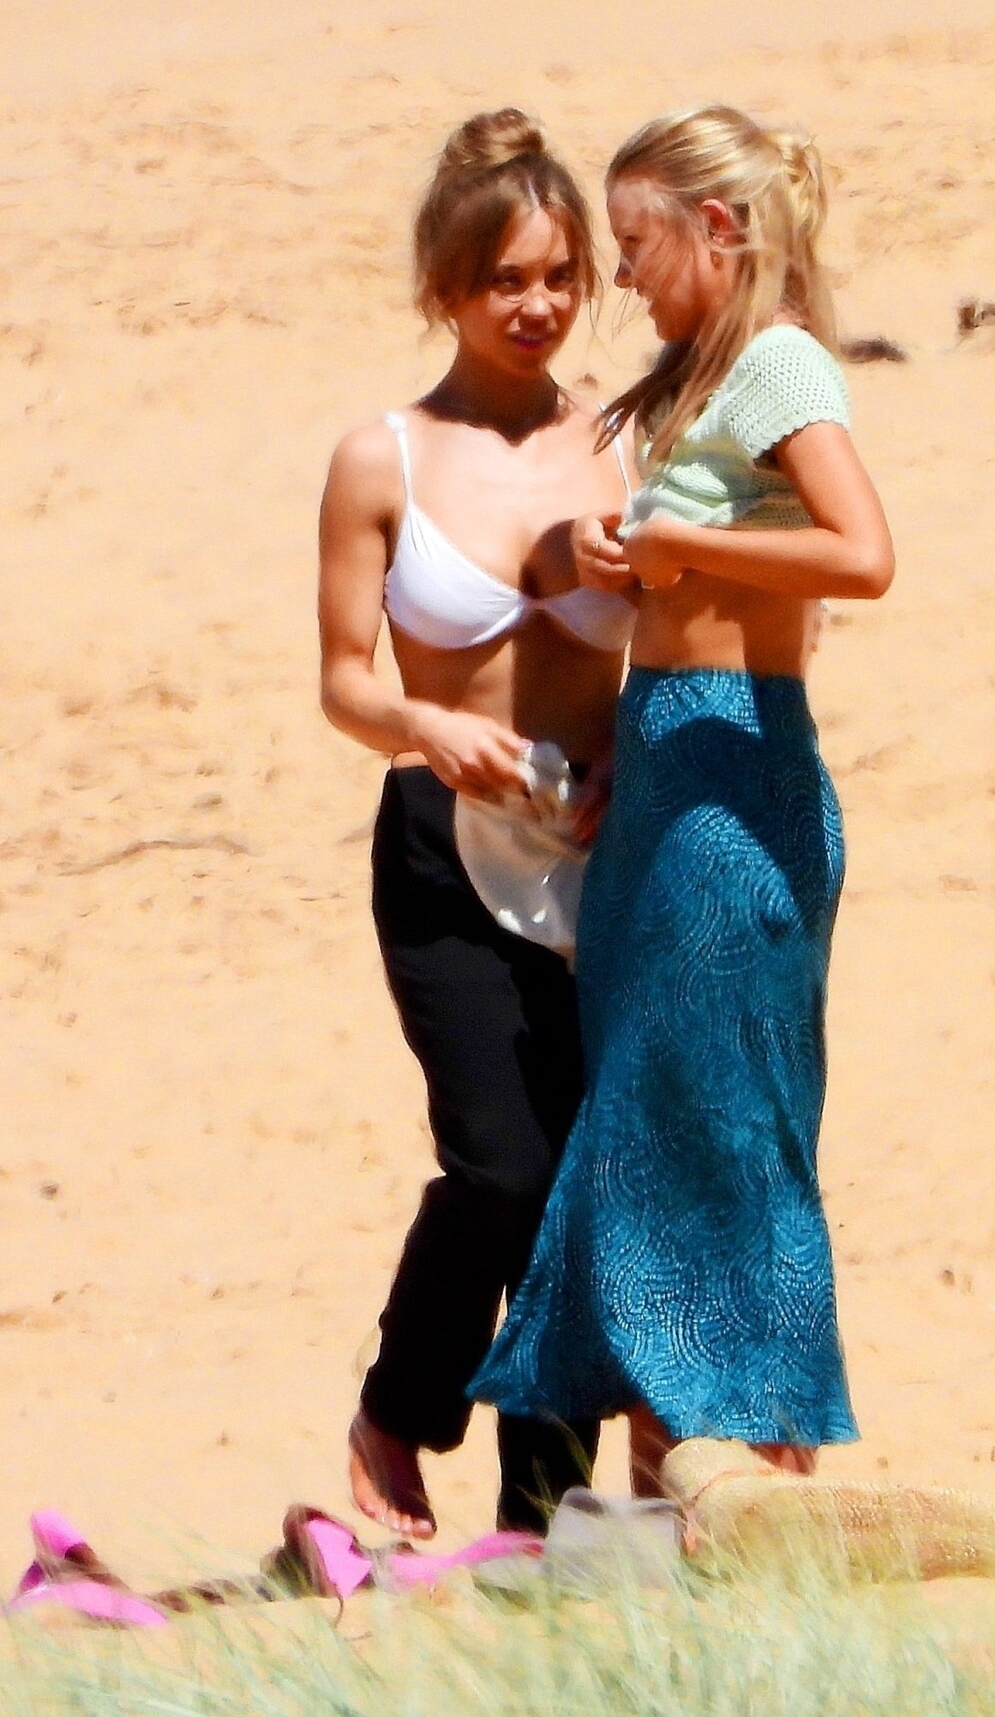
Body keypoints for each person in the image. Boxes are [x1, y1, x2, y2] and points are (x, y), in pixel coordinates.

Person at [469, 105, 895, 1494]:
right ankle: (675, 1499)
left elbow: (863, 553)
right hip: (665, 767)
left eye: (641, 244)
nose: (628, 277)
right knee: (653, 1123)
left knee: (724, 1122)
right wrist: (627, 554)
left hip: (733, 777)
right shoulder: (701, 376)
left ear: (718, 230)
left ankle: (757, 1483)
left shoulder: (778, 361)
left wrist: (681, 547)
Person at [317, 109, 637, 1537]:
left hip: (595, 848)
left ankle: (543, 1512)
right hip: (440, 846)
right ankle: (396, 1414)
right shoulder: (380, 458)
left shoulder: (624, 438)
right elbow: (343, 680)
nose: (538, 305)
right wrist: (427, 724)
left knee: (583, 1182)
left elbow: (689, 637)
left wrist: (633, 749)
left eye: (562, 275)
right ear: (445, 286)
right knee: (503, 1167)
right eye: (506, 278)